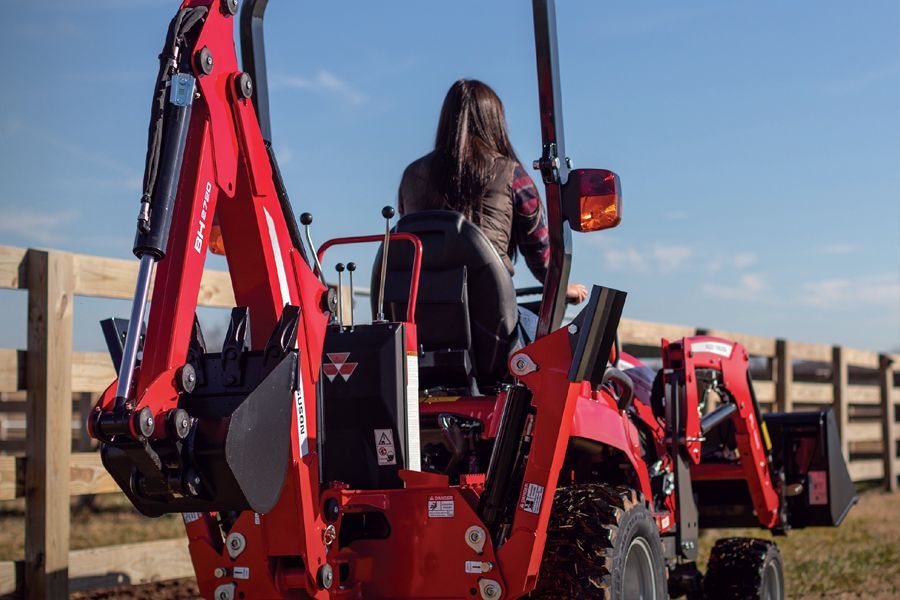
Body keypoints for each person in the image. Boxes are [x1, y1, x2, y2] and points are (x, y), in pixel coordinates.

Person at [397, 79, 587, 342]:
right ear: (495, 122)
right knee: (566, 346)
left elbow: (407, 245)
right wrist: (566, 287)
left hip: (420, 326)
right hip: (490, 328)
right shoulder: (511, 174)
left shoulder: (411, 176)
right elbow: (543, 258)